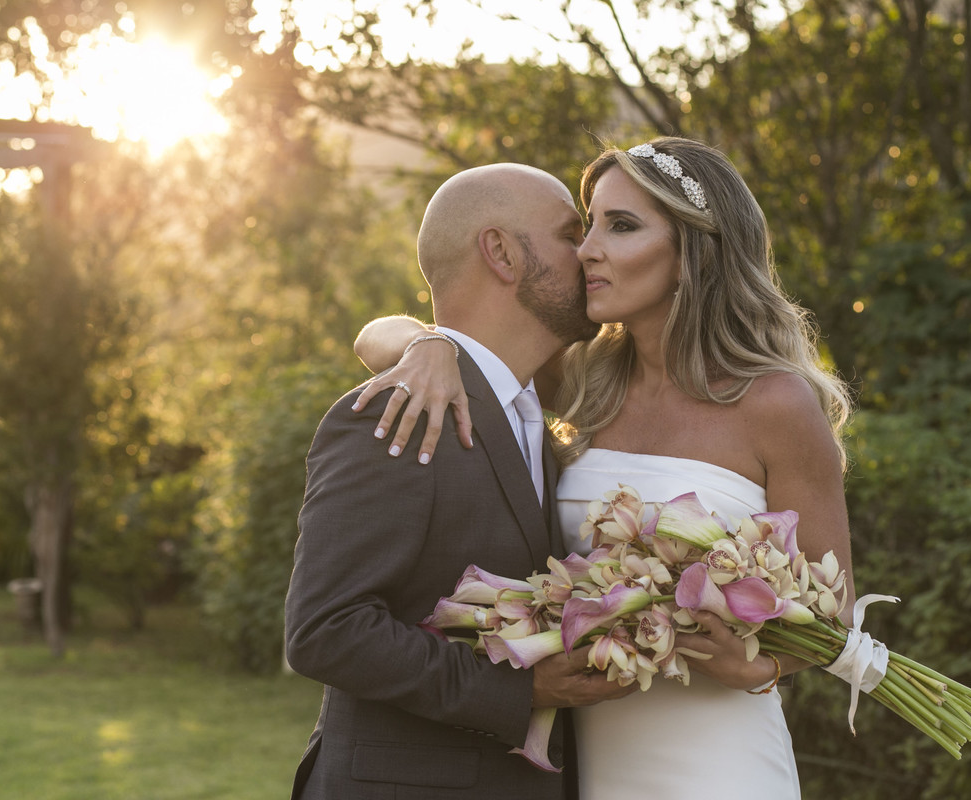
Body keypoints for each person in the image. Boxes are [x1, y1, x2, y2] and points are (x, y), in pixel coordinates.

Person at [353, 137, 857, 798]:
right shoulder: (582, 379)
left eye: (620, 227)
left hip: (719, 760)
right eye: (588, 224)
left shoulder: (776, 404)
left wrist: (758, 668)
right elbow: (373, 337)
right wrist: (432, 344)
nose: (587, 248)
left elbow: (836, 613)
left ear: (692, 252)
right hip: (588, 759)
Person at [284, 162, 633, 800]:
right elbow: (325, 631)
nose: (586, 251)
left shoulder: (546, 413)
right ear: (500, 252)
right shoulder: (398, 412)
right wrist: (519, 690)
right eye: (567, 232)